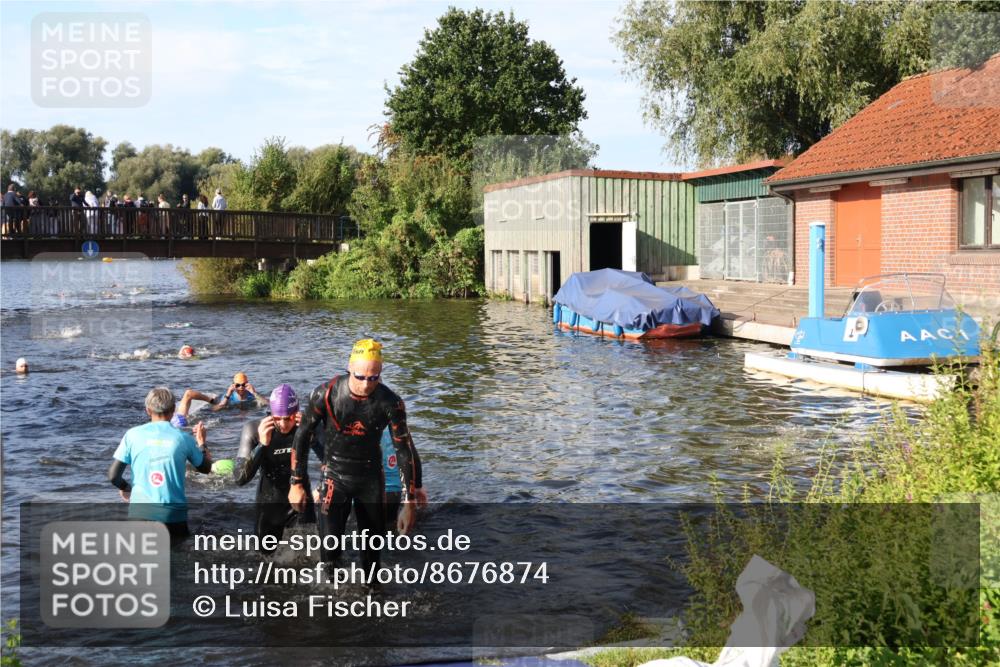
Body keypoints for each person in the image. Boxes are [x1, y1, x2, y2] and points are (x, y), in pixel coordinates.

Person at [289, 339, 425, 571]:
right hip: (334, 477)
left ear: (380, 374)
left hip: (370, 479)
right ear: (349, 368)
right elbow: (302, 435)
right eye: (360, 377)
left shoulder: (391, 403)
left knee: (372, 560)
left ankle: (372, 598)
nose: (365, 384)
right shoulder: (326, 393)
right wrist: (297, 482)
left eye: (373, 378)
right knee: (329, 556)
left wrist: (409, 500)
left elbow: (404, 450)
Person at [107, 387, 213, 541]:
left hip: (140, 515)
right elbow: (206, 468)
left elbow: (113, 476)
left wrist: (128, 488)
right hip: (173, 517)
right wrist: (202, 443)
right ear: (173, 410)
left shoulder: (132, 435)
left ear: (148, 410)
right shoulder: (183, 438)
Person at [233, 384, 321, 552]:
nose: (282, 424)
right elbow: (239, 478)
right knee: (267, 564)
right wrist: (262, 445)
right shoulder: (253, 429)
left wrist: (312, 439)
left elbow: (330, 462)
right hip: (269, 506)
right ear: (270, 414)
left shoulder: (307, 426)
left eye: (288, 418)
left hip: (301, 501)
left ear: (296, 412)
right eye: (277, 418)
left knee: (310, 559)